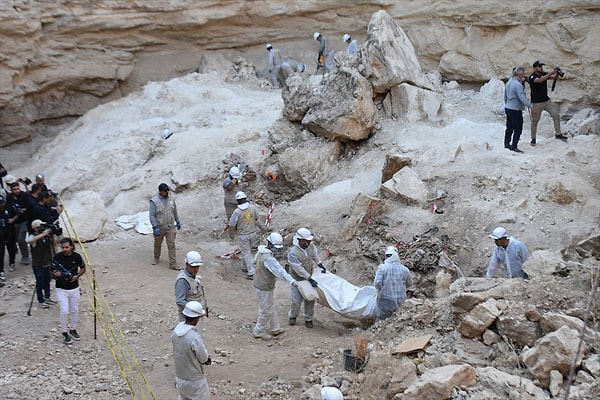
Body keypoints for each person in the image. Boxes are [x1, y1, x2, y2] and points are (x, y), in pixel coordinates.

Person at [251, 232, 298, 340]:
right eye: (276, 247)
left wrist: (261, 272)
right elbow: (280, 271)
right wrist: (291, 281)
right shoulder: (269, 259)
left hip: (259, 283)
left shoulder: (260, 252)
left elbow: (254, 263)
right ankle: (258, 331)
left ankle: (275, 328)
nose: (277, 250)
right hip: (264, 286)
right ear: (270, 244)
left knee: (270, 306)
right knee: (265, 310)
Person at [287, 227, 326, 328]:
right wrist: (309, 278)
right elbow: (298, 269)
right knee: (296, 300)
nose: (309, 242)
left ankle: (308, 318)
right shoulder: (293, 253)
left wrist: (320, 264)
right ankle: (293, 316)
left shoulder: (311, 247)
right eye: (307, 241)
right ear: (301, 240)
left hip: (308, 276)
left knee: (310, 299)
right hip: (297, 279)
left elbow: (315, 256)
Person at [171, 301, 211, 400]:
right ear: (196, 318)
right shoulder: (194, 337)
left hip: (180, 377)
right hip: (194, 380)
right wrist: (207, 360)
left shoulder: (176, 332)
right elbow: (203, 358)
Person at [51, 237, 85, 344]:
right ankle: (64, 332)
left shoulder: (77, 257)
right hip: (61, 288)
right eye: (63, 247)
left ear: (71, 247)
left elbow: (83, 268)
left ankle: (73, 329)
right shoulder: (57, 257)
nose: (65, 249)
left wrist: (77, 276)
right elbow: (52, 269)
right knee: (64, 310)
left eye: (67, 247)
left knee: (74, 310)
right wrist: (56, 273)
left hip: (74, 287)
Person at [528, 60, 569, 146]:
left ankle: (558, 134)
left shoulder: (544, 74)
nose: (541, 68)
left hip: (546, 101)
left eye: (541, 66)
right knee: (535, 121)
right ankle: (533, 139)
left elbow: (554, 78)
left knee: (556, 115)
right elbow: (539, 80)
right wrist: (551, 73)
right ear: (535, 68)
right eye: (539, 66)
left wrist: (557, 73)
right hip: (536, 103)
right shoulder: (532, 77)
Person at [228, 191, 264, 279]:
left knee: (246, 252)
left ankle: (251, 272)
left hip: (243, 235)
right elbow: (257, 220)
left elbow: (231, 224)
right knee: (247, 251)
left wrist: (232, 236)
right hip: (253, 233)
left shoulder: (237, 211)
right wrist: (264, 229)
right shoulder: (253, 208)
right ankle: (244, 266)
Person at [373, 246, 413, 321]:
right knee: (398, 320)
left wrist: (380, 290)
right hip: (400, 301)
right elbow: (410, 283)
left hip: (385, 300)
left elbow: (377, 283)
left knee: (381, 321)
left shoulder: (382, 268)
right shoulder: (405, 269)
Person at [149, 183, 181, 269]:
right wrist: (155, 226)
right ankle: (156, 257)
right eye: (165, 191)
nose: (167, 192)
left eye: (167, 190)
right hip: (160, 227)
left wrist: (177, 221)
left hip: (170, 226)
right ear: (160, 191)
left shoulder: (171, 199)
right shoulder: (154, 201)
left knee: (171, 245)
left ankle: (173, 263)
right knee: (158, 244)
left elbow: (175, 211)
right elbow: (152, 215)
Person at [26, 219, 56, 308]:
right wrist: (42, 234)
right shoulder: (32, 236)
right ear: (36, 228)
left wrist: (52, 236)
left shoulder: (46, 236)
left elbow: (54, 245)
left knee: (47, 281)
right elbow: (30, 241)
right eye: (40, 227)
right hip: (38, 264)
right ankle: (40, 300)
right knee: (39, 283)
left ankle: (47, 297)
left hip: (47, 262)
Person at [175, 251, 207, 329]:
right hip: (189, 318)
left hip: (196, 315)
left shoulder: (192, 276)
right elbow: (180, 301)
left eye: (197, 266)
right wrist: (193, 310)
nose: (196, 269)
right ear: (187, 264)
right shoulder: (182, 281)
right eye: (193, 266)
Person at [504, 67, 531, 153]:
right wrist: (530, 106)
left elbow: (505, 96)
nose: (522, 76)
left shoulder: (508, 83)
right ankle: (514, 145)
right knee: (518, 128)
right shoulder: (518, 85)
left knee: (509, 127)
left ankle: (506, 143)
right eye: (522, 74)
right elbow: (522, 98)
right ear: (519, 74)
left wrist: (507, 104)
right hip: (515, 109)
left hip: (508, 107)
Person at [6, 182, 30, 265]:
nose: (17, 191)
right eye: (15, 189)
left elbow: (29, 201)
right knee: (15, 239)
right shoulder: (9, 198)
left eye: (18, 188)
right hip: (14, 222)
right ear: (11, 190)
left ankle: (25, 256)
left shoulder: (23, 195)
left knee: (21, 239)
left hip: (24, 220)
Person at [222, 166, 242, 242]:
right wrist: (234, 181)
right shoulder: (226, 181)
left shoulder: (237, 181)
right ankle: (232, 238)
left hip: (238, 204)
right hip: (230, 205)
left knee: (239, 219)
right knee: (231, 222)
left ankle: (238, 232)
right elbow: (229, 188)